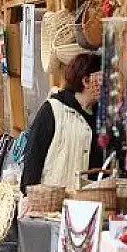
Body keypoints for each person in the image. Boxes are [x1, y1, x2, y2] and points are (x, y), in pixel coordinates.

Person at [19, 53, 104, 209]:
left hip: (90, 207)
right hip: (52, 206)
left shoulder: (102, 118)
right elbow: (33, 157)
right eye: (101, 78)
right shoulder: (53, 110)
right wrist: (29, 196)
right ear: (86, 81)